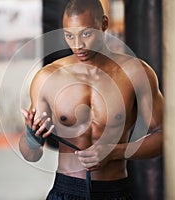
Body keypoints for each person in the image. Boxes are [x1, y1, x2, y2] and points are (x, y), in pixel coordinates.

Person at [19, 0, 164, 199]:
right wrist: (31, 136)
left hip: (115, 190)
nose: (77, 45)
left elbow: (165, 137)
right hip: (66, 191)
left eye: (86, 34)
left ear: (103, 24)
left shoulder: (135, 73)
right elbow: (31, 155)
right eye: (69, 36)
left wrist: (115, 151)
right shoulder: (48, 78)